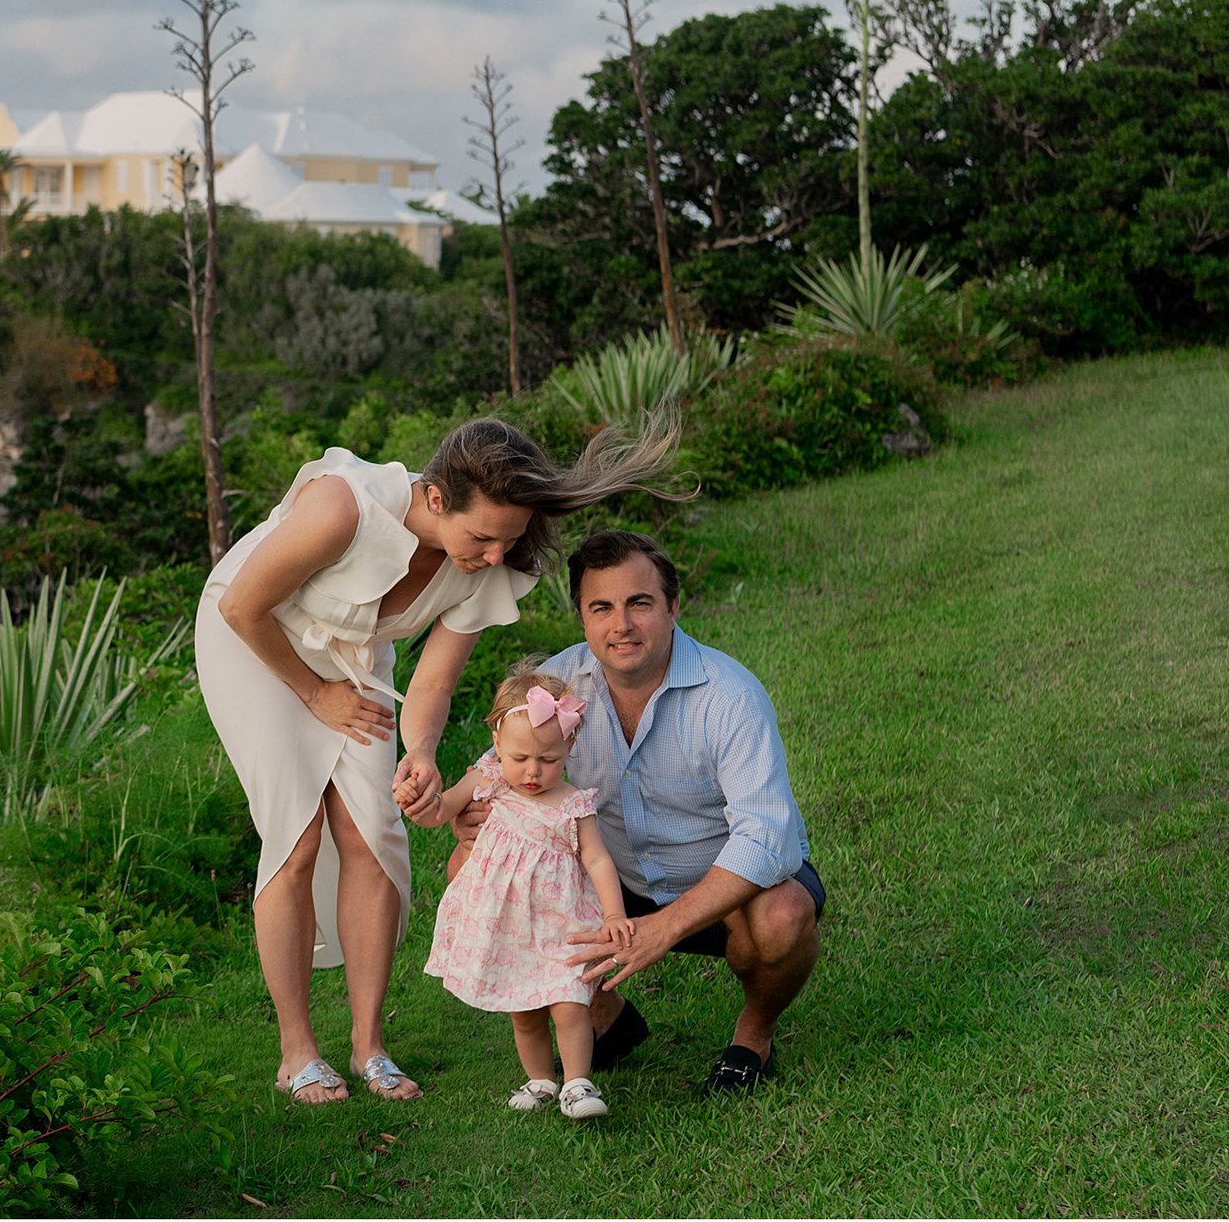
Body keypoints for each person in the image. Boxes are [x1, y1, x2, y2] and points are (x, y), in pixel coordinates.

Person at [196, 421, 676, 1105]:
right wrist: (316, 695)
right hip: (253, 642)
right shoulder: (343, 507)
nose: (493, 555)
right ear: (435, 498)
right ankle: (297, 1052)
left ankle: (369, 1046)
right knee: (298, 836)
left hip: (351, 658)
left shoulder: (488, 565)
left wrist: (420, 752)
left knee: (374, 834)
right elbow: (244, 604)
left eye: (509, 540)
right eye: (482, 538)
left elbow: (433, 684)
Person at [446, 529, 820, 1095]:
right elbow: (501, 766)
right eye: (602, 607)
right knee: (470, 866)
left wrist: (664, 928)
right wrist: (468, 810)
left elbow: (768, 839)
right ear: (583, 618)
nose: (621, 624)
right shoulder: (557, 686)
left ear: (673, 607)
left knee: (784, 916)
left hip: (721, 890)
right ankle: (607, 1019)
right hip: (611, 881)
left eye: (639, 603)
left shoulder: (730, 695)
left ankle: (753, 1037)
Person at [407, 671, 636, 1119]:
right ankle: (539, 1080)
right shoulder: (487, 780)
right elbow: (438, 813)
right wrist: (417, 795)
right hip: (509, 926)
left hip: (560, 922)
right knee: (525, 1011)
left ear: (569, 748)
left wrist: (613, 914)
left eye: (548, 760)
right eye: (521, 757)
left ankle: (576, 1083)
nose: (533, 772)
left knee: (570, 1003)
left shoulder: (572, 804)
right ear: (496, 740)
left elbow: (598, 861)